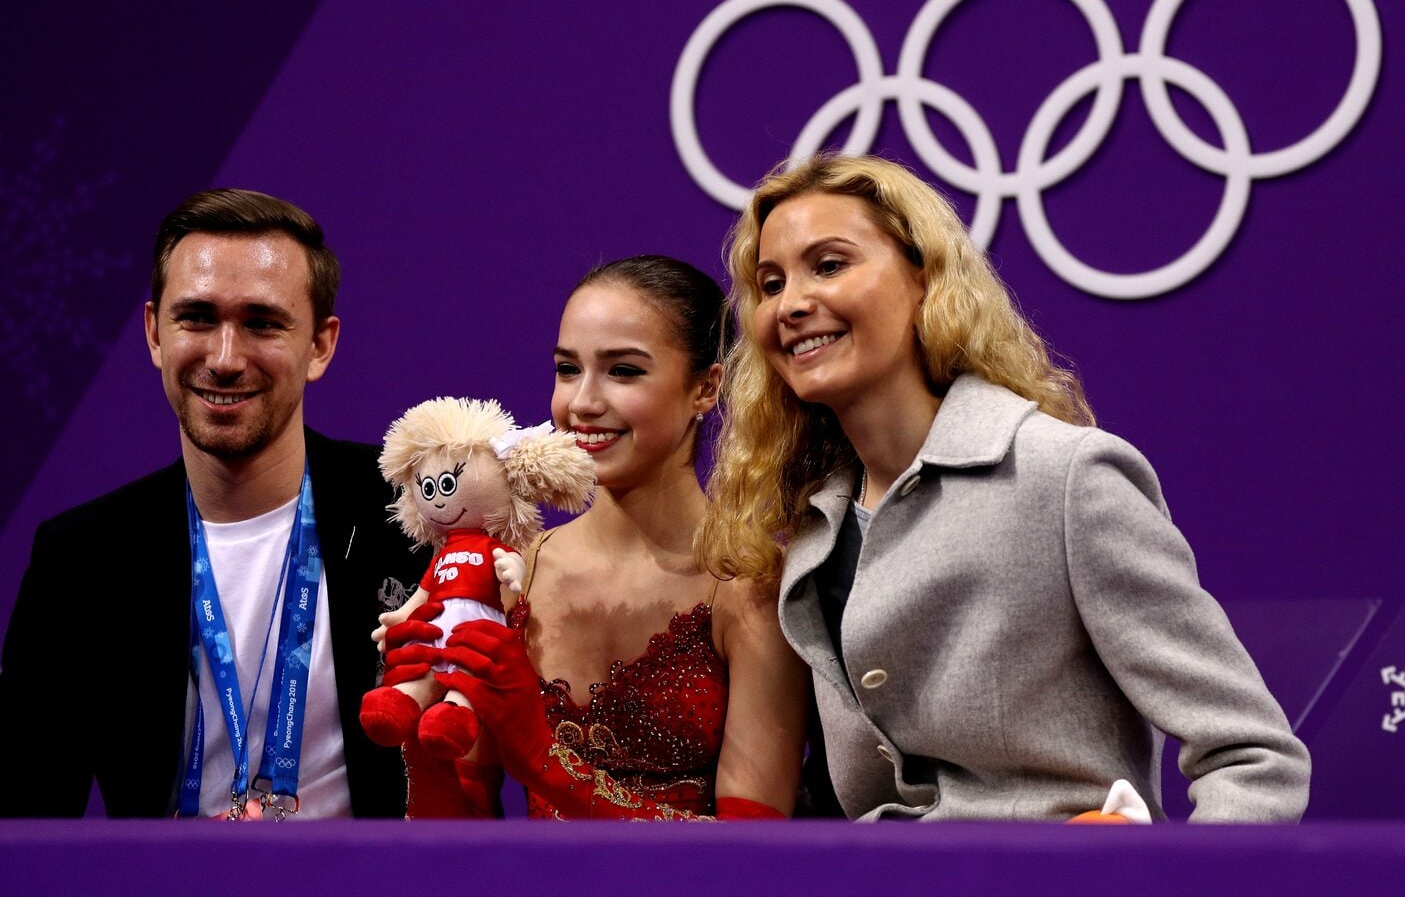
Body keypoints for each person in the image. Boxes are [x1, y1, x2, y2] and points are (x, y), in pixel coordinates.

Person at [696, 154, 1312, 823]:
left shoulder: (1066, 475)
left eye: (831, 265)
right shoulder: (814, 528)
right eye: (771, 282)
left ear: (924, 278)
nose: (792, 304)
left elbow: (1253, 758)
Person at [0, 189, 424, 819]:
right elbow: (23, 819)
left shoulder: (413, 515)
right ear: (153, 334)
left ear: (320, 346)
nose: (225, 358)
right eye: (196, 318)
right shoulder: (81, 558)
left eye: (262, 323)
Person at [384, 255, 808, 819]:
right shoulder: (515, 572)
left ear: (706, 388)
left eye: (623, 371)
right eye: (567, 369)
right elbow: (455, 839)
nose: (581, 402)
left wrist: (542, 756)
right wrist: (419, 738)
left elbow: (750, 853)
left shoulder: (749, 583)